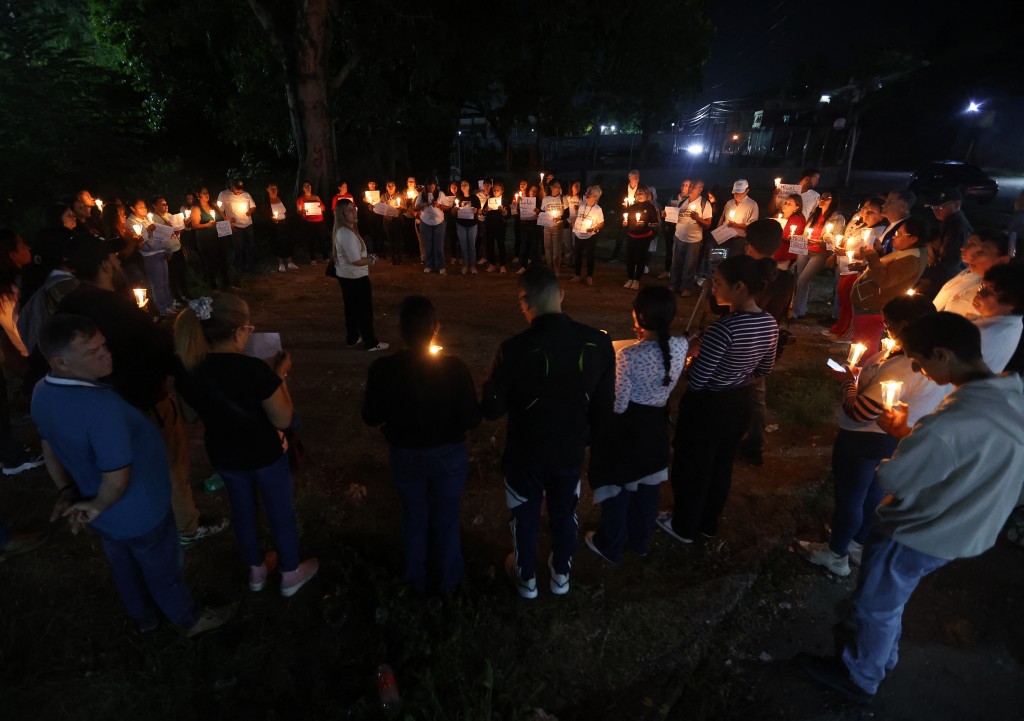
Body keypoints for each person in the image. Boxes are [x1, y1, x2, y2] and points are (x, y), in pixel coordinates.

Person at [799, 312, 1024, 701]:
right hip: (969, 525)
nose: (918, 368)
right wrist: (912, 435)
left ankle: (860, 677)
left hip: (919, 530)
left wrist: (903, 438)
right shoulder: (1010, 394)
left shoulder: (949, 425)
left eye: (919, 360)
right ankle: (881, 658)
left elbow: (893, 478)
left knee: (877, 604)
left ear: (942, 353)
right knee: (891, 599)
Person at [33, 314, 233, 636]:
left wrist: (70, 491)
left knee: (123, 564)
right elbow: (117, 479)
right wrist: (98, 504)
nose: (106, 354)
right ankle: (189, 618)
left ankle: (145, 618)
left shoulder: (42, 391)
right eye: (92, 352)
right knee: (162, 566)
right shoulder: (101, 408)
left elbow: (49, 444)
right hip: (139, 510)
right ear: (61, 362)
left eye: (104, 345)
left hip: (103, 513)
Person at [58, 236, 228, 544]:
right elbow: (158, 352)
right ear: (105, 264)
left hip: (97, 406)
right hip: (143, 401)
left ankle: (138, 516)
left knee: (124, 467)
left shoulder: (68, 304)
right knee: (172, 463)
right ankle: (187, 525)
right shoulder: (116, 309)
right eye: (116, 258)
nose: (120, 262)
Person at [481, 266, 614, 598]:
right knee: (564, 511)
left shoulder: (511, 350)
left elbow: (492, 409)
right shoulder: (597, 343)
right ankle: (561, 574)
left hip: (525, 452)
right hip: (569, 450)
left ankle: (526, 576)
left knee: (524, 513)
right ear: (561, 295)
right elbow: (604, 410)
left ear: (524, 302)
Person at [794, 295, 950, 576]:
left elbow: (860, 411)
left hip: (865, 439)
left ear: (903, 325)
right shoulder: (938, 357)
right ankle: (857, 542)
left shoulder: (905, 368)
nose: (886, 330)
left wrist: (848, 383)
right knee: (872, 493)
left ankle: (836, 554)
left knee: (850, 498)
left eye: (888, 325)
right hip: (894, 437)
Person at [174, 295, 319, 597]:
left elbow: (189, 415)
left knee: (243, 511)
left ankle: (255, 571)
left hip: (225, 455)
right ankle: (290, 573)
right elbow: (283, 418)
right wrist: (279, 375)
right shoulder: (254, 371)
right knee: (280, 512)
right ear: (240, 332)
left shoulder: (190, 370)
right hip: (265, 454)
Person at [362, 296, 481, 594]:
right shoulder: (454, 369)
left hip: (406, 456)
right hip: (449, 457)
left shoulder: (383, 369)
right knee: (446, 515)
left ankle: (414, 581)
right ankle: (448, 583)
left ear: (401, 330)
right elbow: (472, 418)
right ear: (435, 328)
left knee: (414, 515)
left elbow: (370, 416)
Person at [658, 255, 779, 543]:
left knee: (692, 467)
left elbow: (699, 380)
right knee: (722, 464)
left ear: (739, 287)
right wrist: (736, 375)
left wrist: (688, 361)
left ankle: (683, 525)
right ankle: (708, 523)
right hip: (739, 404)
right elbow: (764, 368)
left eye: (718, 283)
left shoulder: (722, 330)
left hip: (707, 408)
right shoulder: (769, 323)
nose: (713, 288)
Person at [586, 287, 687, 563]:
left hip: (629, 427)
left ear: (639, 316)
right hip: (656, 426)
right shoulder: (681, 346)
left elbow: (618, 405)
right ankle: (640, 541)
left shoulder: (628, 356)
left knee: (619, 485)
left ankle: (610, 543)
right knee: (648, 485)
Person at [736, 219, 793, 466]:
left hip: (742, 340)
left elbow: (724, 306)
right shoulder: (786, 277)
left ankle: (732, 435)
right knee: (757, 393)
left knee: (734, 391)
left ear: (749, 245)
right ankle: (755, 443)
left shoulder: (747, 274)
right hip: (768, 339)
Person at [848, 218, 929, 352]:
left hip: (874, 308)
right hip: (869, 305)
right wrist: (876, 257)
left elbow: (884, 281)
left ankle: (861, 370)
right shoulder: (907, 253)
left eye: (898, 234)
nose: (893, 238)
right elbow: (889, 270)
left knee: (865, 346)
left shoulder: (911, 260)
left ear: (913, 238)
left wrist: (872, 257)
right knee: (861, 340)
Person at [0, 229, 43, 476]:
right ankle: (13, 457)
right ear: (11, 255)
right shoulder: (7, 295)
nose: (28, 247)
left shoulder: (17, 282)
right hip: (30, 352)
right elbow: (15, 329)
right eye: (22, 244)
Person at [331, 199, 388, 352]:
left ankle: (353, 337)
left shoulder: (346, 230)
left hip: (347, 276)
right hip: (355, 277)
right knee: (364, 311)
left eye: (354, 209)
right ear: (342, 214)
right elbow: (356, 260)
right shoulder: (346, 234)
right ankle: (370, 342)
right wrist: (372, 259)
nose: (354, 212)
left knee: (351, 308)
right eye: (349, 210)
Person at [930, 229, 1012, 318]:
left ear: (1003, 260)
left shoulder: (996, 304)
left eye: (982, 251)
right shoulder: (971, 275)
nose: (973, 255)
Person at [792, 191, 845, 319]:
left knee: (803, 280)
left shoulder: (838, 218)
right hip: (805, 250)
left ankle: (795, 312)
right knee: (801, 280)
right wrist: (802, 239)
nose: (822, 199)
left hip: (819, 253)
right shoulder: (813, 215)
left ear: (834, 201)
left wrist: (822, 242)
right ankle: (801, 309)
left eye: (827, 197)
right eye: (821, 197)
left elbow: (837, 240)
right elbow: (806, 232)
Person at [916, 189, 973, 299]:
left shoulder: (957, 228)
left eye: (941, 207)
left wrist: (923, 276)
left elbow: (950, 261)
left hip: (944, 281)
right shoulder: (947, 224)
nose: (936, 211)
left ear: (957, 204)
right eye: (933, 207)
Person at [973, 262, 1024, 373]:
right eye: (982, 287)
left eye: (989, 292)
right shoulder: (1014, 322)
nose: (979, 294)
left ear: (1012, 303)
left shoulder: (984, 333)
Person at [670, 180, 712, 297]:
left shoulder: (705, 204)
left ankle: (686, 287)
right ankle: (674, 285)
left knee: (690, 265)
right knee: (676, 264)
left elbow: (708, 224)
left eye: (694, 187)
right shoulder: (682, 201)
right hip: (678, 237)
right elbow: (674, 219)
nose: (690, 188)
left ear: (700, 189)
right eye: (691, 186)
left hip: (693, 240)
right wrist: (668, 215)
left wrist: (697, 218)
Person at [191, 187, 233, 291]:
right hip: (206, 240)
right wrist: (207, 224)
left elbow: (223, 217)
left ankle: (227, 284)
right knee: (210, 263)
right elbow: (194, 225)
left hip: (220, 237)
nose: (207, 194)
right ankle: (213, 287)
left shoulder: (213, 205)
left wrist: (229, 221)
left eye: (207, 192)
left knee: (223, 260)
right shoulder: (196, 208)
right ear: (198, 194)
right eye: (204, 192)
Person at [150, 196, 189, 305]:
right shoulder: (152, 219)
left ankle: (185, 294)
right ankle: (177, 297)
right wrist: (165, 228)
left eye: (166, 203)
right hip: (167, 252)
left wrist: (183, 225)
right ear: (154, 206)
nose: (166, 206)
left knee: (181, 273)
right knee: (172, 275)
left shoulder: (171, 216)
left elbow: (178, 232)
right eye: (162, 204)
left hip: (177, 247)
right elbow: (155, 237)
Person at [621, 187, 659, 290]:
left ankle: (636, 280)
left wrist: (645, 224)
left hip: (644, 237)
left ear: (647, 195)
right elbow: (628, 219)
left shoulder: (650, 207)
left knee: (640, 258)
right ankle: (630, 278)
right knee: (630, 258)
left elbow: (655, 223)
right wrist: (625, 223)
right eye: (637, 193)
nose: (639, 194)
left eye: (641, 193)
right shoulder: (632, 207)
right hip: (631, 236)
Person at [715, 178, 759, 260]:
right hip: (724, 237)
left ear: (747, 191)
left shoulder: (752, 205)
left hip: (739, 240)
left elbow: (752, 225)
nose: (738, 195)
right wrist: (718, 232)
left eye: (741, 193)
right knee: (721, 260)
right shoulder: (729, 203)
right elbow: (722, 219)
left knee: (735, 261)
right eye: (736, 193)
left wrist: (737, 225)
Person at [570, 186, 605, 286]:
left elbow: (601, 223)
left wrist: (594, 228)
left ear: (596, 197)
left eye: (589, 195)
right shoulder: (582, 205)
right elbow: (579, 217)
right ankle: (577, 275)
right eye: (586, 194)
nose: (586, 196)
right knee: (577, 255)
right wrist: (575, 224)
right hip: (578, 234)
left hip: (590, 236)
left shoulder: (598, 209)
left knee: (590, 256)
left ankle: (589, 276)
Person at [222, 180, 257, 271]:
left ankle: (251, 266)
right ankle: (238, 267)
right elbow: (220, 210)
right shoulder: (224, 195)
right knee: (238, 247)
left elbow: (253, 206)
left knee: (250, 246)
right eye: (236, 188)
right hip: (235, 226)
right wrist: (228, 223)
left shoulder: (246, 194)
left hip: (248, 225)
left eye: (240, 189)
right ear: (231, 185)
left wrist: (250, 211)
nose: (239, 191)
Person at [415, 179, 448, 275]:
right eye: (429, 186)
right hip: (426, 222)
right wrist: (424, 205)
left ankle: (440, 266)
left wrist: (439, 205)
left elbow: (447, 206)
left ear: (435, 186)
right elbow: (416, 208)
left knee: (438, 245)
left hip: (439, 222)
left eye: (433, 186)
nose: (431, 187)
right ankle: (429, 265)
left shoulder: (440, 194)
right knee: (428, 245)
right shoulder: (422, 195)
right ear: (427, 186)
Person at [265, 183, 296, 272]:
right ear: (267, 190)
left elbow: (288, 210)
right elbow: (265, 214)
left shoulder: (282, 199)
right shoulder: (267, 201)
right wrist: (271, 219)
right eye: (271, 188)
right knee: (278, 243)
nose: (274, 190)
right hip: (275, 226)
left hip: (285, 224)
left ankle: (290, 263)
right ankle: (281, 264)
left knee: (288, 242)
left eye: (275, 188)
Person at [772, 194, 807, 270]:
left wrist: (784, 235)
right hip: (773, 250)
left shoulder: (799, 219)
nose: (785, 205)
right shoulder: (778, 216)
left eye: (789, 204)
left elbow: (795, 236)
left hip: (785, 253)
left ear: (797, 207)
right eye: (785, 203)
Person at [296, 180, 327, 265]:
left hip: (320, 221)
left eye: (309, 186)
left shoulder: (316, 197)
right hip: (309, 222)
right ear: (303, 188)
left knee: (323, 239)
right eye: (306, 186)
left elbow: (323, 207)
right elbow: (298, 211)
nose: (308, 188)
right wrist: (303, 210)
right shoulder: (301, 199)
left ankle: (325, 256)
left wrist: (321, 207)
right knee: (311, 240)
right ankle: (312, 258)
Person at [454, 180, 482, 274]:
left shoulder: (474, 198)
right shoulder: (458, 197)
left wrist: (476, 210)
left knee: (472, 246)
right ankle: (465, 265)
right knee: (463, 246)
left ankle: (473, 266)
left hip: (472, 225)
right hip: (461, 224)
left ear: (469, 186)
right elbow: (453, 212)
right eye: (462, 185)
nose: (464, 186)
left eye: (466, 184)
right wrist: (455, 209)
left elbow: (479, 211)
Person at [539, 180, 567, 272]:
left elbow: (567, 213)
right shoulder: (546, 199)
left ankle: (556, 269)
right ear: (551, 187)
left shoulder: (563, 198)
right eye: (556, 187)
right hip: (547, 226)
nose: (558, 189)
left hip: (558, 226)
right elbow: (543, 211)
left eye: (559, 187)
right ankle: (549, 269)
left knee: (556, 249)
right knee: (547, 248)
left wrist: (560, 218)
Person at [483, 182, 508, 273]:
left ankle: (502, 265)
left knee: (501, 245)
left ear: (502, 191)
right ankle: (492, 264)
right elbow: (483, 213)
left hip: (500, 226)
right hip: (489, 226)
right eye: (494, 190)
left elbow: (507, 214)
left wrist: (503, 211)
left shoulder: (504, 200)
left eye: (497, 190)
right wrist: (486, 210)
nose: (495, 192)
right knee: (490, 245)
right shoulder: (489, 199)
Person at [380, 181, 404, 264]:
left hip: (397, 220)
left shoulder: (400, 196)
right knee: (390, 240)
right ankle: (393, 259)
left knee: (398, 239)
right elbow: (380, 207)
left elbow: (404, 208)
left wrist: (401, 207)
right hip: (387, 221)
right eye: (388, 186)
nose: (390, 187)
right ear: (386, 187)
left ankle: (400, 259)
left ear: (395, 187)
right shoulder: (383, 196)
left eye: (392, 185)